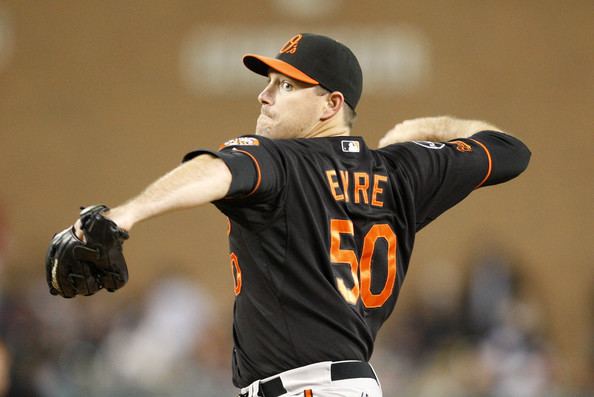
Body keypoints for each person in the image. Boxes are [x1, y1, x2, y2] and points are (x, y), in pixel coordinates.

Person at [70, 33, 530, 396]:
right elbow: (510, 151)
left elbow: (213, 171)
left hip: (306, 388)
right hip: (347, 384)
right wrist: (433, 128)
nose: (264, 96)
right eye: (268, 82)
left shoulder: (282, 161)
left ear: (332, 104)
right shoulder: (402, 172)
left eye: (286, 85)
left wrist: (124, 217)